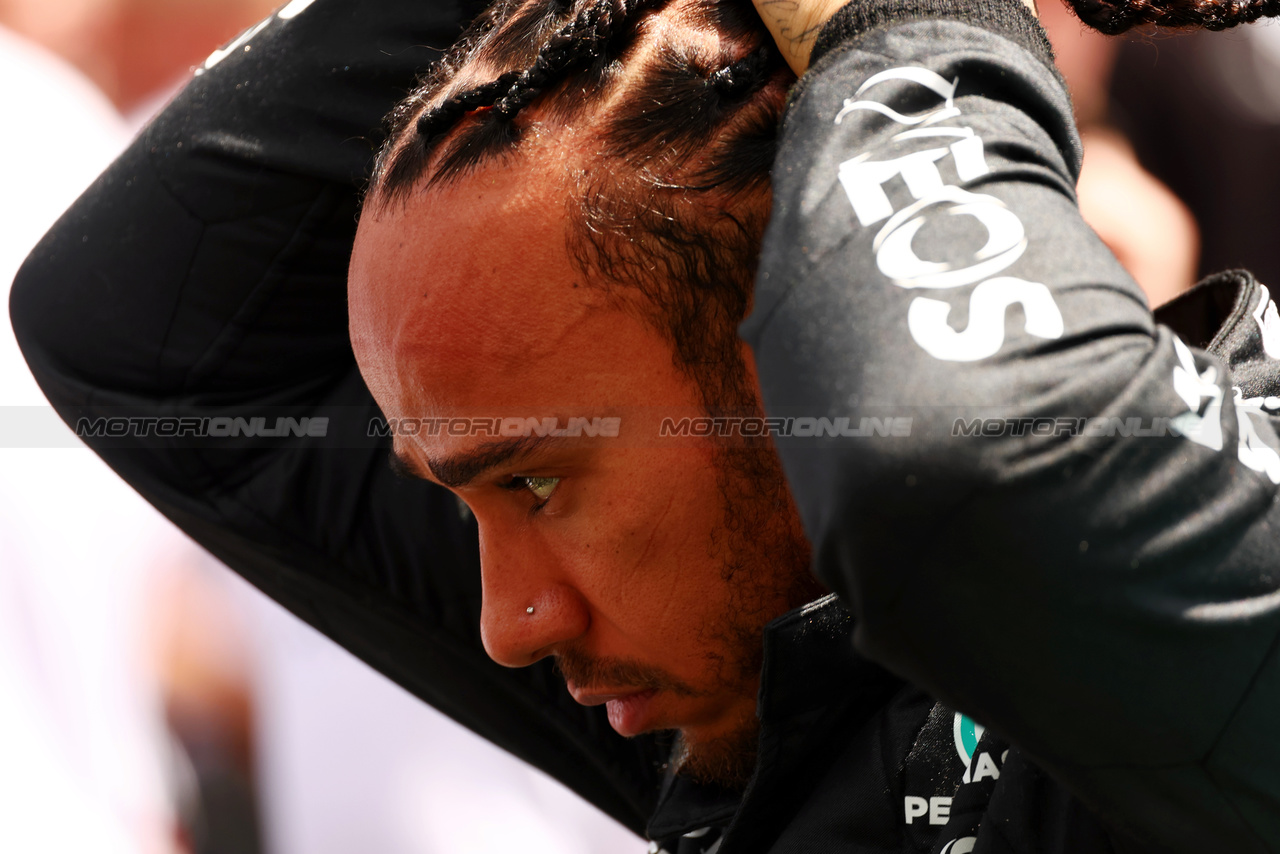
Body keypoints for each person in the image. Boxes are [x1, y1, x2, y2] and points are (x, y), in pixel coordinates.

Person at [10, 0, 1280, 852]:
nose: (507, 621)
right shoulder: (778, 694)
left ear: (796, 356)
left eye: (541, 484)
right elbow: (138, 332)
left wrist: (902, 25)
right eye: (472, 503)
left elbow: (954, 452)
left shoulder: (1219, 568)